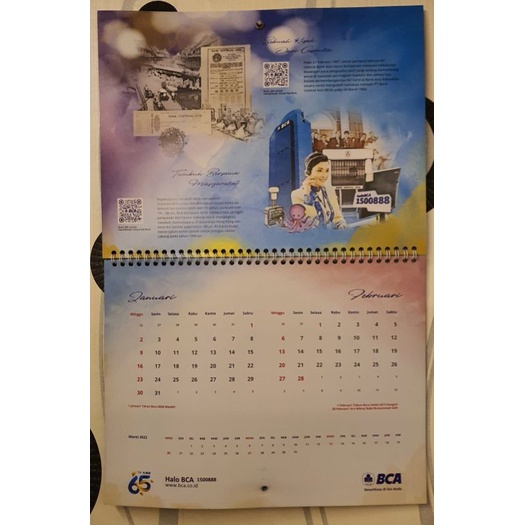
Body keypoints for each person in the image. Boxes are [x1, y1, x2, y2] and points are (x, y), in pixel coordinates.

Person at [291, 152, 347, 229]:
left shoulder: (330, 190)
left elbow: (337, 217)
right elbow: (308, 222)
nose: (324, 175)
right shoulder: (297, 195)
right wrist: (307, 196)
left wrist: (341, 223)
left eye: (327, 171)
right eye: (319, 170)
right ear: (308, 173)